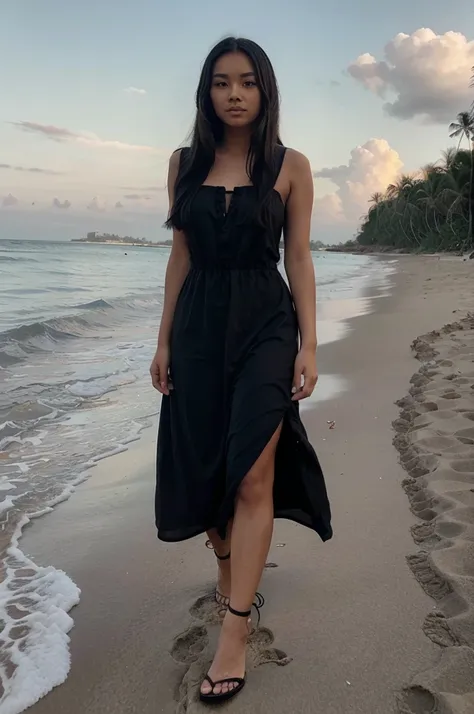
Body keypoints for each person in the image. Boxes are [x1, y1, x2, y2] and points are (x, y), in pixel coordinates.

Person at [150, 36, 332, 704]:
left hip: (265, 324)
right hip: (197, 329)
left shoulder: (291, 166)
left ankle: (235, 631)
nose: (234, 93)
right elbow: (180, 257)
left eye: (247, 82)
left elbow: (301, 258)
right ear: (207, 91)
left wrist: (309, 345)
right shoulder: (183, 164)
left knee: (255, 465)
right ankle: (229, 567)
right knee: (206, 467)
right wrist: (163, 339)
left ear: (265, 91)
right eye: (222, 82)